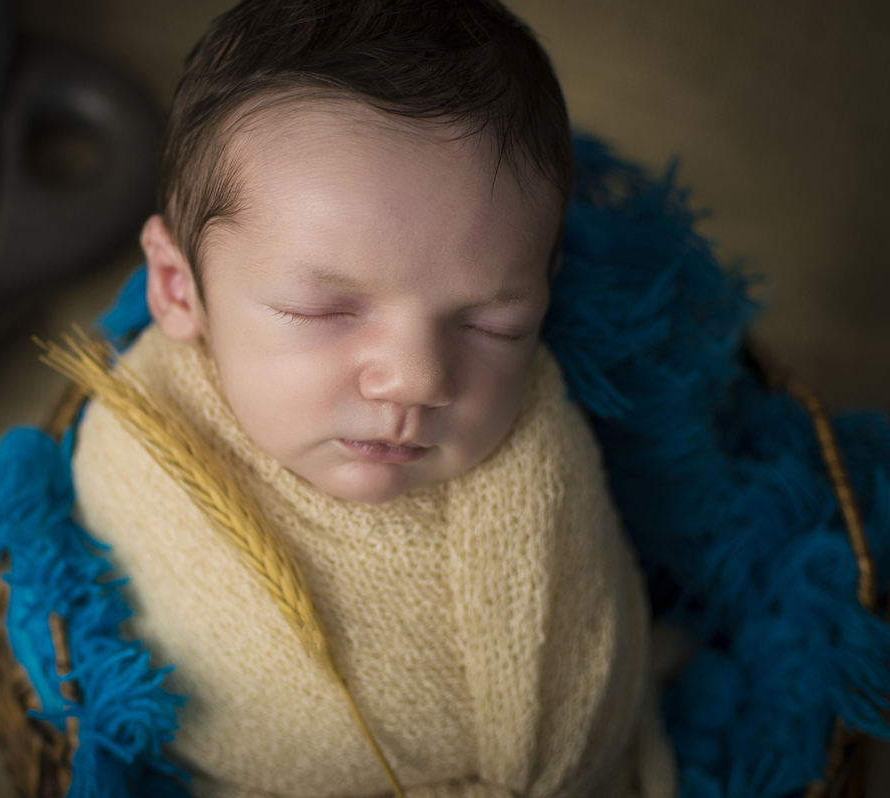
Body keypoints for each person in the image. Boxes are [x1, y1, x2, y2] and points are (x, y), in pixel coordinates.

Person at [70, 1, 676, 796]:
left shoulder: (543, 461)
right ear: (178, 287)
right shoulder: (145, 446)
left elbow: (596, 658)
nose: (421, 378)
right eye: (326, 312)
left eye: (494, 323)